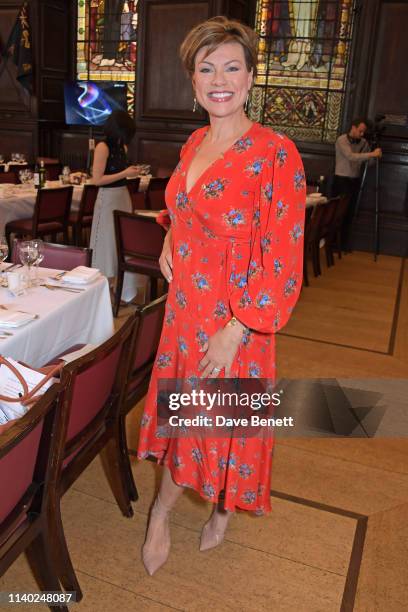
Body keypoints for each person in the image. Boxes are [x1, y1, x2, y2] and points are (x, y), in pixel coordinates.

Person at [137, 16, 306, 576]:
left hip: (236, 322)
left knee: (222, 419)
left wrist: (240, 328)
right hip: (184, 311)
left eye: (232, 66)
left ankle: (221, 511)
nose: (219, 79)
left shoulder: (276, 154)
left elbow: (283, 257)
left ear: (252, 77)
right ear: (192, 82)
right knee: (185, 416)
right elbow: (186, 208)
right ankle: (162, 514)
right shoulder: (193, 141)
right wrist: (168, 232)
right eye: (206, 68)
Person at [90, 110, 139, 294]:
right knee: (106, 242)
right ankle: (103, 286)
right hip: (108, 198)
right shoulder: (103, 147)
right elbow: (97, 180)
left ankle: (121, 287)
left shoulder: (122, 147)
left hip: (122, 196)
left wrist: (129, 173)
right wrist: (125, 173)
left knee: (121, 240)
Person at [332, 118, 382, 249]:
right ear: (353, 127)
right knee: (338, 213)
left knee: (350, 212)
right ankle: (332, 243)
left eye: (364, 132)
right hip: (341, 179)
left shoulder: (363, 142)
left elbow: (368, 161)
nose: (362, 135)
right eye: (360, 131)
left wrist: (375, 156)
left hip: (354, 180)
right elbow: (350, 156)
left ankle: (343, 244)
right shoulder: (342, 140)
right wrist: (371, 153)